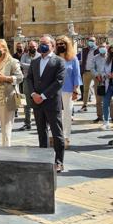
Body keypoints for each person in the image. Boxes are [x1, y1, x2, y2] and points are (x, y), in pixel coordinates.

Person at [25, 35, 66, 172]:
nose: (42, 45)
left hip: (51, 103)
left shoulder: (59, 61)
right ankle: (43, 159)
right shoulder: (35, 61)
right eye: (40, 43)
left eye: (45, 43)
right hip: (37, 103)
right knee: (41, 132)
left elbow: (59, 82)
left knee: (57, 133)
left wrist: (42, 96)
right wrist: (33, 94)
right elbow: (29, 79)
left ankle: (59, 161)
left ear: (52, 46)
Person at [0, 39, 23, 147]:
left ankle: (6, 152)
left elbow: (20, 77)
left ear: (5, 49)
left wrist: (5, 78)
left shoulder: (12, 62)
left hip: (6, 97)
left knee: (6, 128)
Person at [56, 36, 82, 149]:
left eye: (63, 43)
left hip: (68, 90)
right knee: (55, 114)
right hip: (54, 90)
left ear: (67, 45)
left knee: (67, 114)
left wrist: (76, 90)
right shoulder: (54, 58)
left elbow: (77, 75)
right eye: (58, 44)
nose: (60, 45)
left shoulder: (73, 58)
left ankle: (65, 137)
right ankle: (55, 136)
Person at [91, 42, 113, 124]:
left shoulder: (110, 58)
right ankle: (99, 116)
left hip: (108, 80)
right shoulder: (95, 58)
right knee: (98, 99)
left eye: (104, 47)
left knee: (111, 100)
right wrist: (97, 75)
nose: (102, 48)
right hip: (98, 80)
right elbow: (92, 68)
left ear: (107, 47)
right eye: (100, 47)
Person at [99, 44, 113, 130]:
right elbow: (102, 71)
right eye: (111, 50)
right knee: (105, 104)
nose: (112, 52)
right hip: (107, 85)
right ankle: (106, 122)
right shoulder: (106, 60)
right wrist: (106, 75)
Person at [19, 40, 38, 131]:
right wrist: (33, 65)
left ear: (36, 47)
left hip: (37, 81)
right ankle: (27, 123)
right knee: (26, 103)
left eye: (33, 47)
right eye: (30, 46)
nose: (32, 48)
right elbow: (22, 65)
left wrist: (29, 66)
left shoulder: (40, 55)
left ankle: (39, 122)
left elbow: (39, 66)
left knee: (37, 102)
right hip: (26, 80)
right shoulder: (24, 55)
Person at [80, 37, 99, 114]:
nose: (91, 42)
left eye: (92, 41)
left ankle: (98, 105)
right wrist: (82, 71)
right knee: (85, 90)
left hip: (95, 72)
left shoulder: (98, 50)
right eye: (90, 41)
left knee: (96, 90)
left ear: (95, 41)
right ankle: (84, 105)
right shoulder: (84, 50)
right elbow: (83, 60)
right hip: (86, 72)